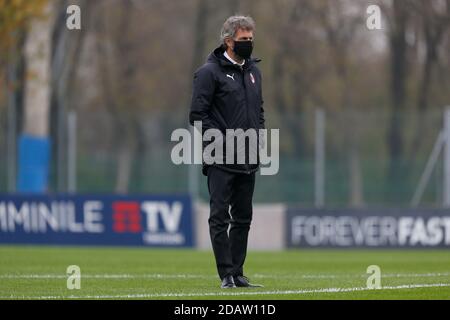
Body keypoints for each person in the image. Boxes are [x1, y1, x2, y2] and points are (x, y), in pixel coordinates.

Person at [189, 15, 265, 289]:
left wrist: (258, 139)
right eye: (244, 40)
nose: (249, 44)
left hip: (248, 157)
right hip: (220, 157)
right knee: (220, 216)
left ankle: (238, 272)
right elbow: (197, 114)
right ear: (228, 41)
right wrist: (221, 141)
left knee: (243, 216)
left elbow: (259, 112)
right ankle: (226, 276)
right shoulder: (209, 73)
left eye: (251, 39)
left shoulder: (255, 72)